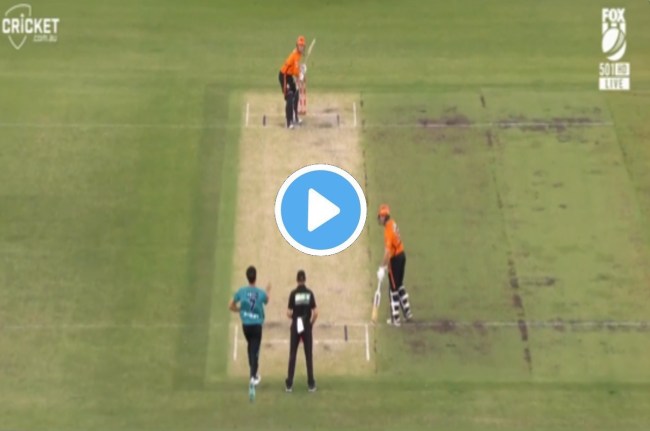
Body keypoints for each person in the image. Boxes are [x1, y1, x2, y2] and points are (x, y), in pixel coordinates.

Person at [228, 265, 271, 401]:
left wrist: (239, 310)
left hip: (246, 326)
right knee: (254, 351)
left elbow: (230, 305)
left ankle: (253, 373)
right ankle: (253, 378)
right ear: (255, 277)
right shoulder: (260, 293)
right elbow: (266, 300)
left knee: (250, 347)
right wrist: (268, 290)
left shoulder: (241, 291)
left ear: (247, 277)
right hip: (256, 325)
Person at [376, 204, 413, 326]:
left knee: (393, 289)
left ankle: (395, 318)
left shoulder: (388, 231)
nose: (379, 218)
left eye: (380, 216)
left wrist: (382, 268)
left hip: (395, 259)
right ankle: (407, 313)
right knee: (399, 285)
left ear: (383, 217)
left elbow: (387, 252)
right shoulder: (393, 223)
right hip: (402, 255)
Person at [285, 269, 318, 392]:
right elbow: (316, 313)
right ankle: (311, 384)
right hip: (306, 325)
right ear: (305, 280)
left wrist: (295, 318)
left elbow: (288, 313)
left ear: (297, 280)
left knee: (293, 354)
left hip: (296, 325)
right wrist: (310, 324)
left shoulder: (293, 294)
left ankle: (289, 384)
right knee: (308, 355)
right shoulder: (309, 293)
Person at [278, 35, 307, 129]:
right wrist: (300, 74)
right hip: (284, 76)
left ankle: (295, 117)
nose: (301, 47)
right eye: (300, 45)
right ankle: (288, 121)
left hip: (289, 76)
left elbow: (295, 68)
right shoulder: (295, 55)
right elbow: (295, 71)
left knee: (296, 93)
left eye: (302, 46)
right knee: (290, 96)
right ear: (297, 45)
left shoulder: (298, 54)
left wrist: (301, 69)